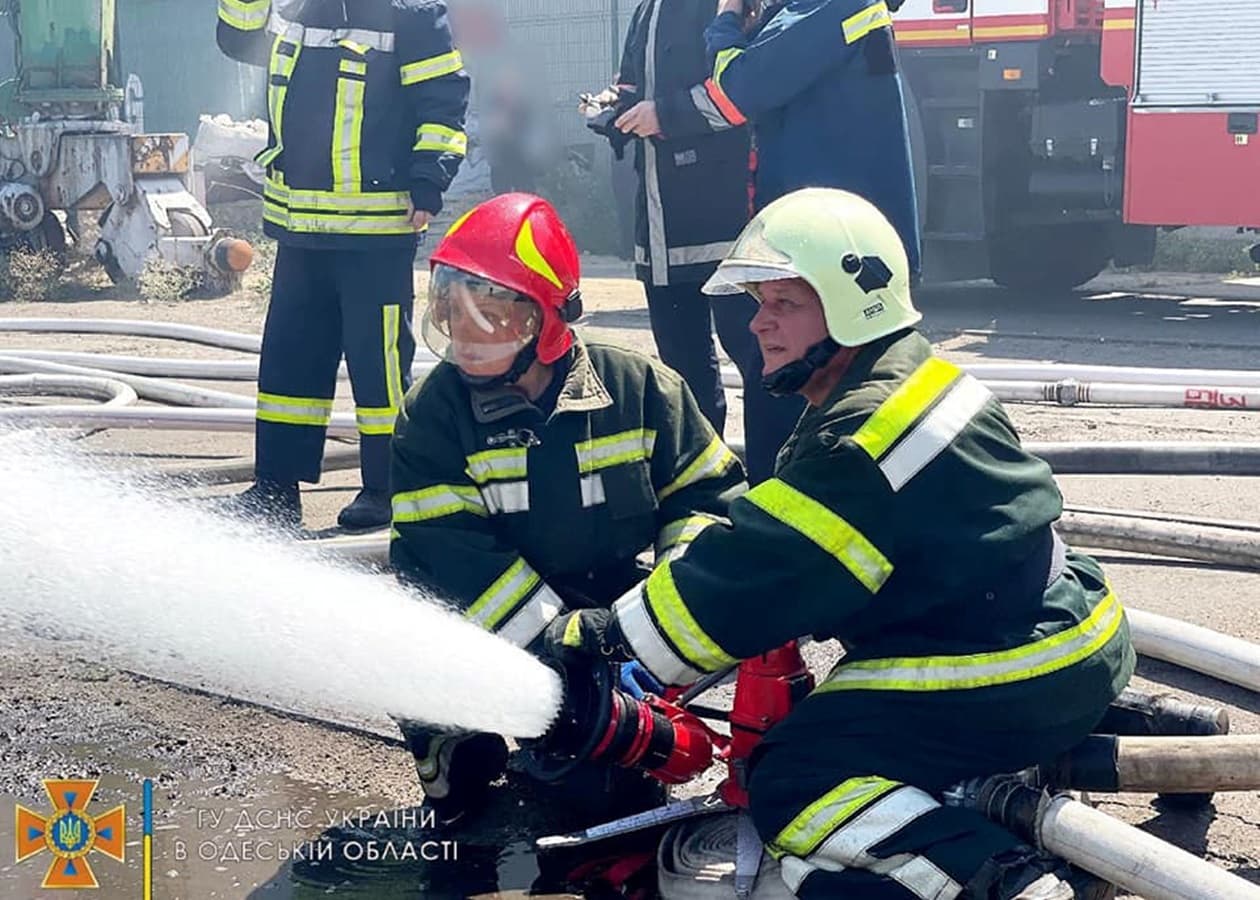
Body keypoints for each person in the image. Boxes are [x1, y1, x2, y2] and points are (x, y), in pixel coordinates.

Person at [544, 188, 1135, 900]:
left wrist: (609, 637)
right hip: (1073, 633)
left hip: (1014, 667)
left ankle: (1004, 883)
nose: (758, 323)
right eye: (759, 301)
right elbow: (782, 534)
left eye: (784, 304)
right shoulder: (906, 373)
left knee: (798, 779)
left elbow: (756, 572)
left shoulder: (863, 436)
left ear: (856, 305)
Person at [387, 192, 747, 826]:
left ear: (548, 321)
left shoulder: (642, 391)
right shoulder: (434, 414)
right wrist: (561, 642)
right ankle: (452, 747)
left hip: (610, 609)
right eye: (452, 313)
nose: (467, 337)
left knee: (599, 798)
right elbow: (454, 557)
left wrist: (655, 630)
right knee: (457, 779)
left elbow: (708, 503)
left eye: (491, 317)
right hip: (478, 620)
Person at [216, 0, 469, 530]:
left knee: (378, 372)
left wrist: (429, 180)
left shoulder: (411, 14)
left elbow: (443, 102)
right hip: (300, 227)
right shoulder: (291, 8)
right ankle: (275, 490)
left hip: (375, 231)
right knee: (289, 360)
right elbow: (236, 41)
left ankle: (388, 488)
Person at [603, 0, 803, 484]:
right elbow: (633, 80)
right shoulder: (649, 9)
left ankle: (771, 488)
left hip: (721, 218)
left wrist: (665, 115)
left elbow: (740, 93)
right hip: (660, 225)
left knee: (760, 358)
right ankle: (703, 489)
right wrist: (616, 110)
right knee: (682, 370)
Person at [702, 0, 921, 278]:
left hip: (828, 250)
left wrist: (726, 18)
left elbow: (738, 85)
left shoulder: (821, 8)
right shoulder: (829, 11)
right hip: (850, 246)